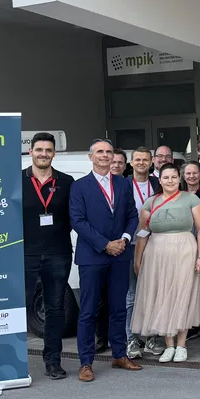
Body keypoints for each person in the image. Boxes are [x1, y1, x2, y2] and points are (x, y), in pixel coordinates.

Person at [69, 139, 142, 382]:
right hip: (92, 256)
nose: (104, 155)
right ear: (91, 157)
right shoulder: (79, 186)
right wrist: (104, 244)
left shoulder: (122, 183)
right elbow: (78, 221)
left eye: (108, 152)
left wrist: (123, 238)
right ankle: (86, 362)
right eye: (99, 152)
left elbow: (132, 215)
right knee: (88, 311)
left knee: (119, 308)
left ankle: (119, 355)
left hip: (120, 254)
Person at [130, 163, 200, 363]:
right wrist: (138, 260)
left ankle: (181, 345)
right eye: (166, 177)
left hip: (184, 250)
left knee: (182, 295)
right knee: (162, 295)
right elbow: (142, 234)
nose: (170, 181)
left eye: (174, 177)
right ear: (160, 179)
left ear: (179, 178)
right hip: (156, 253)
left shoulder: (192, 199)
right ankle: (169, 344)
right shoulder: (151, 202)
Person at [23, 133, 75, 379]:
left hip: (58, 253)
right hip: (25, 253)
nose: (44, 154)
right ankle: (14, 361)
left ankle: (53, 360)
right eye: (39, 149)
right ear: (31, 151)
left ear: (54, 153)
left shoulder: (66, 182)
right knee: (18, 306)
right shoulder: (17, 180)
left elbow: (74, 217)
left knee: (55, 309)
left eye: (48, 150)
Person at [125, 148, 162, 360]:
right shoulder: (122, 185)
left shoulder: (158, 184)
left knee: (154, 294)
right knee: (131, 295)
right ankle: (131, 339)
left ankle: (151, 338)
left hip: (155, 244)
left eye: (145, 159)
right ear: (131, 162)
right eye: (137, 159)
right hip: (130, 245)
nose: (141, 163)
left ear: (151, 162)